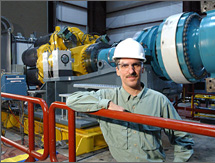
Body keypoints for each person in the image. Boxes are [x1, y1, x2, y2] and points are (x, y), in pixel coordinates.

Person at [66, 38, 194, 162]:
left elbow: (182, 138)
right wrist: (107, 105)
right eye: (125, 66)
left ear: (142, 68)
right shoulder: (107, 97)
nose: (131, 71)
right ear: (117, 70)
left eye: (136, 65)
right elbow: (72, 100)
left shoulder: (159, 101)